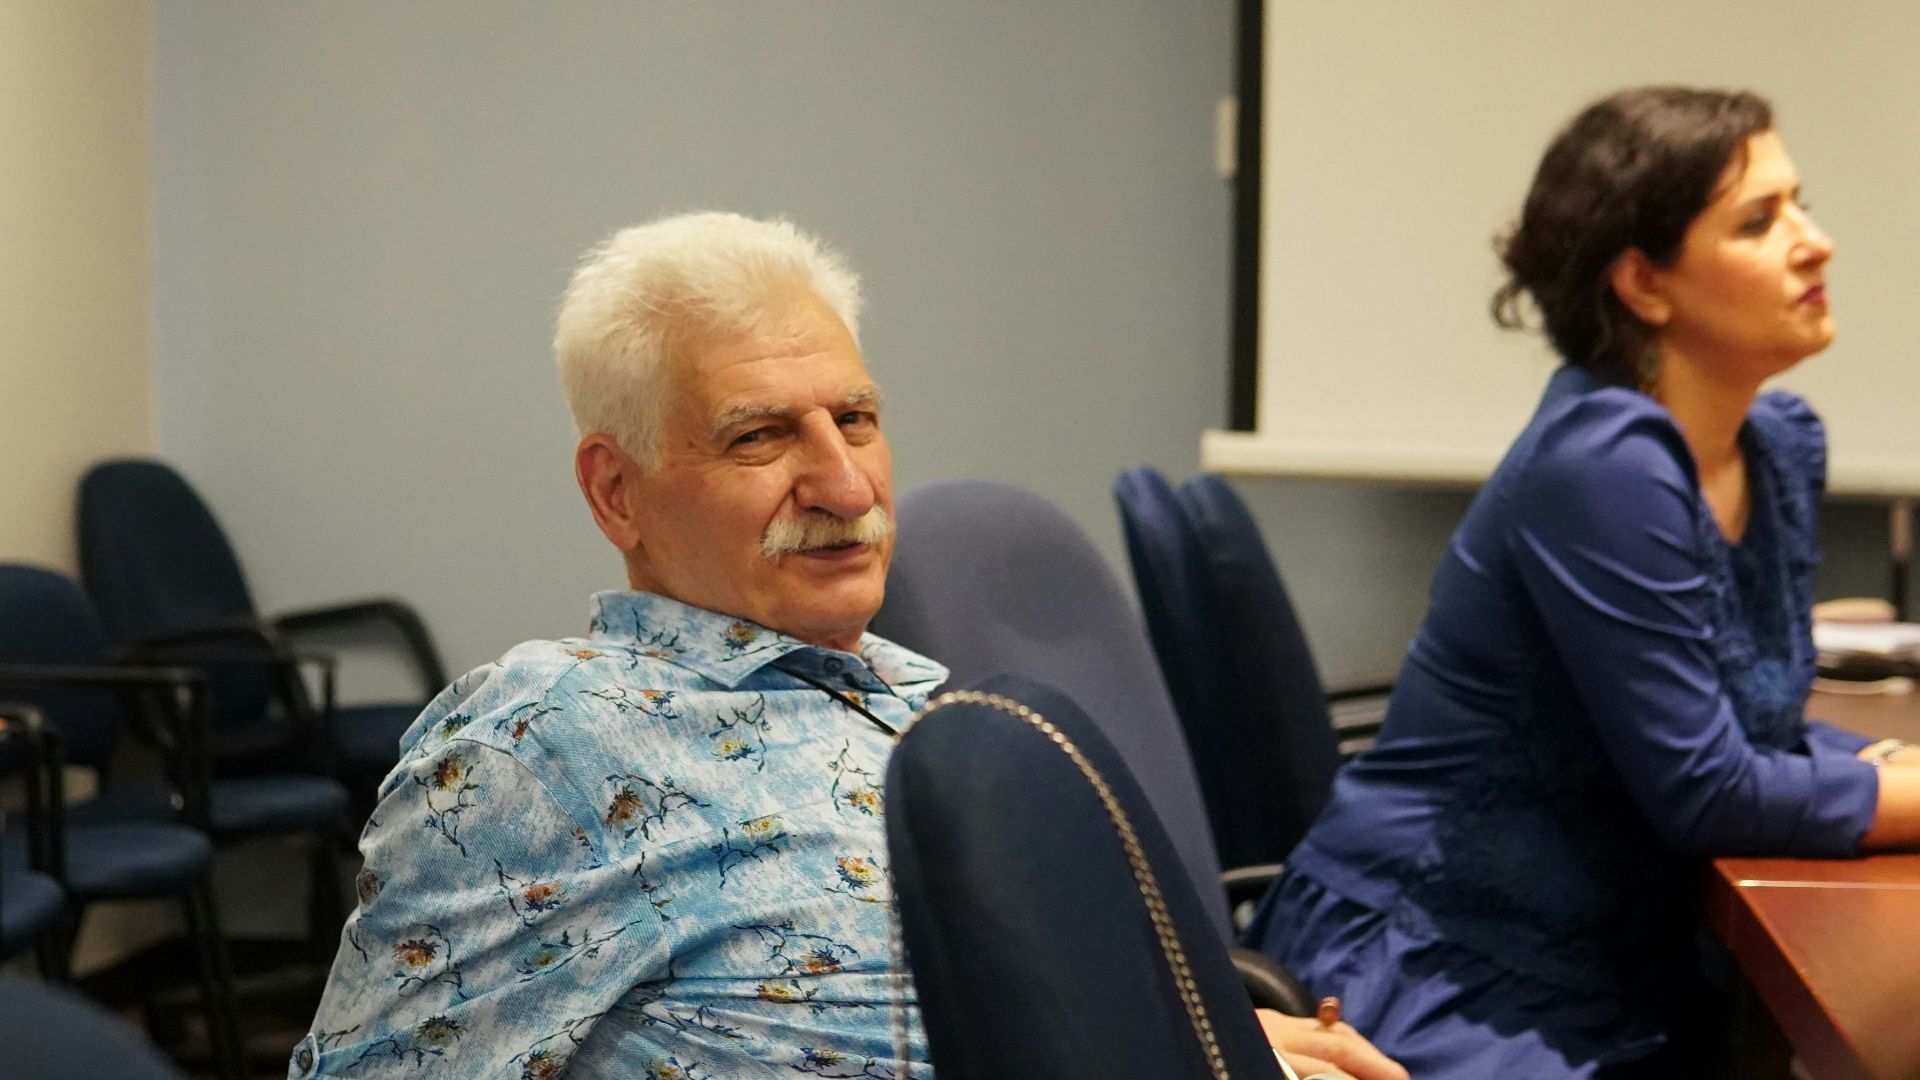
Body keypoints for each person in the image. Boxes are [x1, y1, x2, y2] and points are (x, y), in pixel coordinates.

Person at [290, 211, 1403, 1080]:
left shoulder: (905, 693)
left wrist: (1211, 1033)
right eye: (759, 435)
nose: (843, 483)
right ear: (617, 491)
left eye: (856, 419)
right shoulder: (540, 749)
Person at [1246, 86, 1920, 1080]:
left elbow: (1747, 728)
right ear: (1644, 283)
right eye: (1759, 221)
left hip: (1614, 960)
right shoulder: (1605, 461)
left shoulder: (1774, 448)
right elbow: (1710, 793)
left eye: (1800, 205)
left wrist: (1877, 760)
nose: (1813, 243)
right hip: (1446, 963)